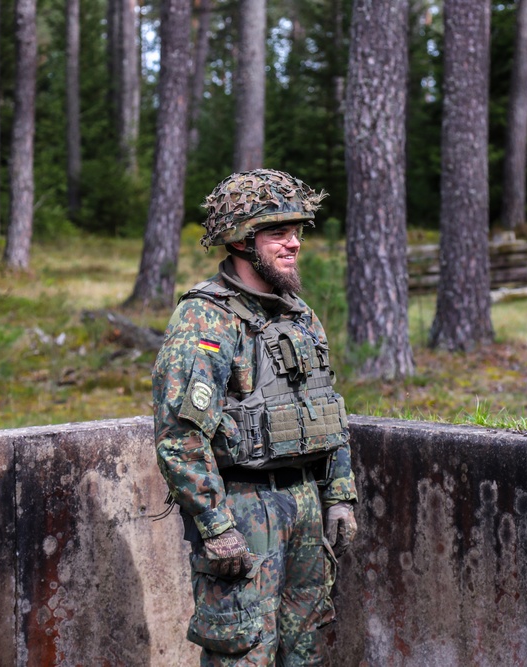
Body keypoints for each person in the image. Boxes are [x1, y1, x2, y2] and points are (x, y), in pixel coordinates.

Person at [152, 169, 358, 665]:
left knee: (304, 646)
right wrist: (215, 525)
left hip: (304, 501)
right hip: (243, 507)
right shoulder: (206, 318)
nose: (293, 244)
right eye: (277, 233)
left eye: (297, 232)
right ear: (241, 242)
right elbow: (179, 437)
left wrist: (339, 495)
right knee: (242, 651)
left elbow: (326, 407)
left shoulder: (300, 315)